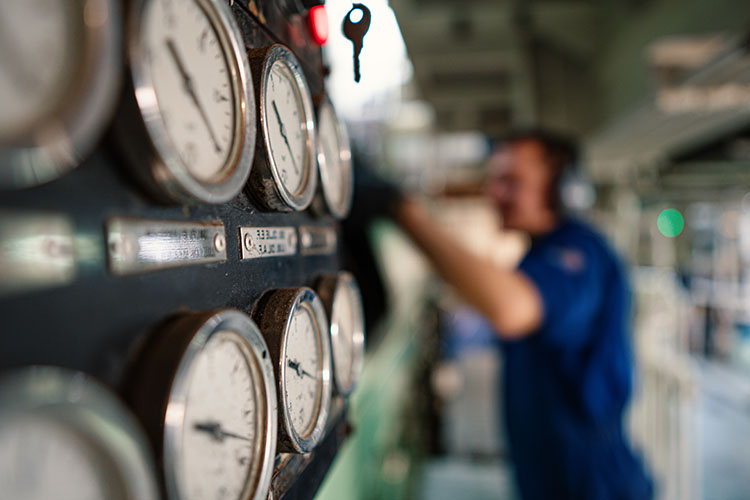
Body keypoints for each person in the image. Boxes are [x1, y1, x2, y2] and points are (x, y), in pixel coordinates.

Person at [384, 130, 653, 499]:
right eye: (494, 180)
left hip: (592, 484)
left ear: (562, 189)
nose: (495, 193)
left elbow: (511, 310)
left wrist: (404, 213)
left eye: (511, 181)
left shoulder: (578, 253)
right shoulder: (538, 257)